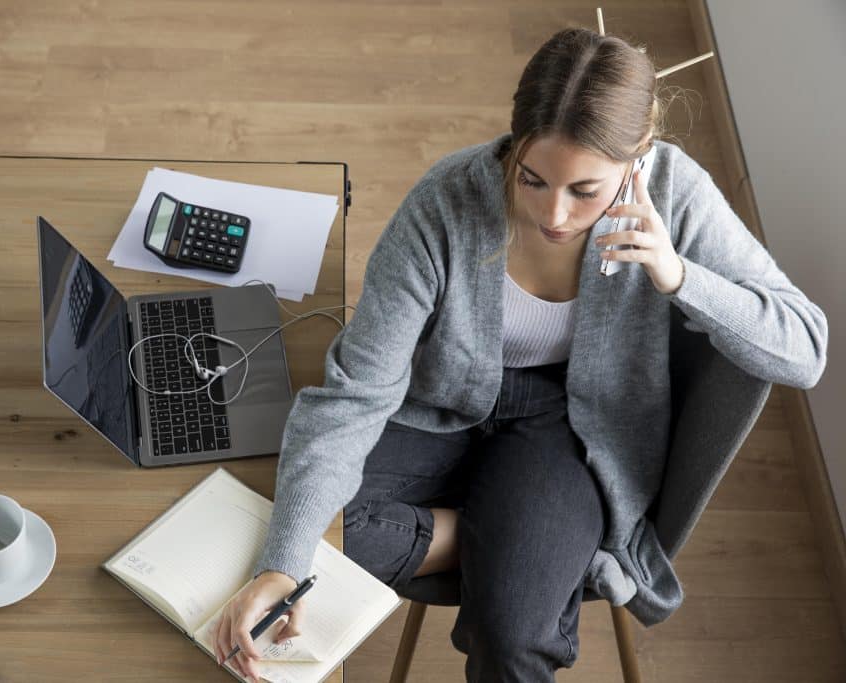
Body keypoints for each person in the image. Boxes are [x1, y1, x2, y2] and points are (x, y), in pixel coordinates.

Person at [211, 27, 828, 682]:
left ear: (637, 157)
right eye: (532, 178)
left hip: (571, 432)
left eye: (585, 191)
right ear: (513, 141)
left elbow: (805, 347)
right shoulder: (447, 203)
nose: (554, 215)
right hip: (438, 408)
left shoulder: (675, 192)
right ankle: (490, 535)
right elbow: (353, 395)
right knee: (300, 534)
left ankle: (521, 544)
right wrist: (279, 564)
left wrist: (679, 275)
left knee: (514, 642)